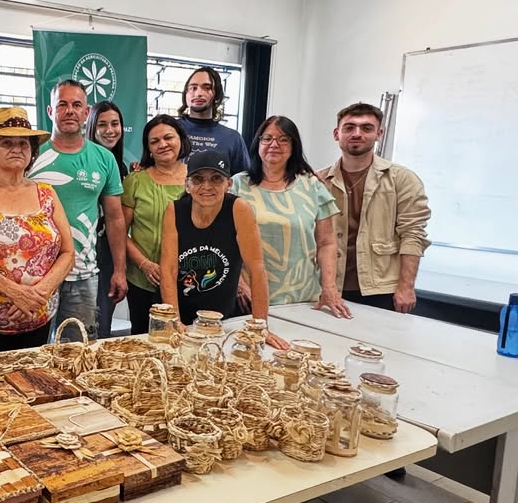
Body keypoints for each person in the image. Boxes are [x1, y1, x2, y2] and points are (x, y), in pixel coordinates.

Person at [0, 107, 74, 354]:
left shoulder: (47, 193)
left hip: (38, 314)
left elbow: (68, 252)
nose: (16, 148)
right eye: (6, 142)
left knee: (37, 374)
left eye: (23, 143)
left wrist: (39, 293)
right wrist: (15, 292)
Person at [30, 79, 127, 342]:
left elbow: (115, 218)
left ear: (86, 112)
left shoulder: (104, 158)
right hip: (35, 275)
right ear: (50, 111)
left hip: (82, 274)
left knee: (77, 351)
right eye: (62, 104)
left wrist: (119, 270)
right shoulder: (31, 156)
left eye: (76, 105)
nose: (69, 111)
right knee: (32, 353)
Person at [159, 150, 287, 349]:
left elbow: (256, 268)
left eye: (216, 178)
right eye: (198, 179)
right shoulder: (174, 210)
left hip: (223, 319)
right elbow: (168, 269)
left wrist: (260, 326)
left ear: (229, 184)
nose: (206, 186)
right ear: (187, 185)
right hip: (181, 312)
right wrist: (173, 320)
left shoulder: (239, 209)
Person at [317, 102, 430, 313]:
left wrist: (406, 287)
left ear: (379, 134)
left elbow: (413, 235)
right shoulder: (318, 181)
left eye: (366, 128)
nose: (357, 133)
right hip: (328, 286)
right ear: (336, 134)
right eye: (349, 127)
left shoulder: (402, 180)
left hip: (381, 289)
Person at [231, 116, 348, 316]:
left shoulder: (312, 186)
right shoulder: (237, 185)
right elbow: (223, 241)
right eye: (267, 138)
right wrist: (238, 285)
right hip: (248, 297)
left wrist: (329, 288)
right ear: (257, 143)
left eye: (283, 139)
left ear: (294, 146)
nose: (274, 144)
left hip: (301, 297)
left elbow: (327, 243)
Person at [122, 115, 190, 334]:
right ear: (149, 148)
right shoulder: (135, 180)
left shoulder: (198, 179)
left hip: (188, 280)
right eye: (154, 141)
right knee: (144, 340)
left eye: (168, 137)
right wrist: (144, 264)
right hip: (144, 280)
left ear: (181, 139)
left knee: (185, 338)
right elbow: (119, 232)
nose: (162, 144)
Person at [86, 102, 130, 338]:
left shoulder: (121, 166)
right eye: (102, 125)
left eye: (115, 124)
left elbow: (118, 217)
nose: (110, 130)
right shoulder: (84, 162)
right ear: (91, 128)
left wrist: (119, 268)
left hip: (109, 251)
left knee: (102, 322)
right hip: (84, 248)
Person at [176, 66, 250, 175]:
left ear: (217, 94)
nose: (198, 93)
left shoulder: (232, 138)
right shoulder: (170, 130)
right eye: (193, 88)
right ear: (185, 95)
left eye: (207, 88)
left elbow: (243, 181)